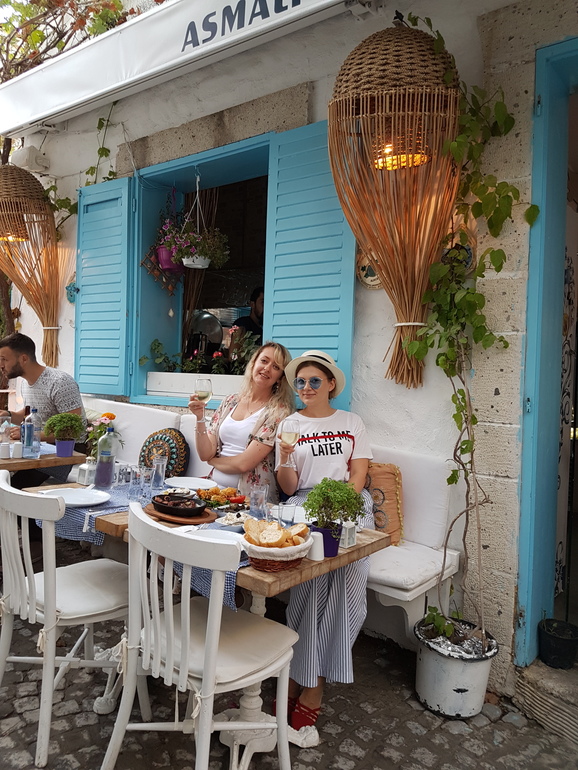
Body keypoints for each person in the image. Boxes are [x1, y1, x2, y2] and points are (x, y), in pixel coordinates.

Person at [276, 350, 373, 731]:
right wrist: (285, 457)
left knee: (348, 582)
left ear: (331, 384)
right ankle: (302, 675)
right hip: (304, 504)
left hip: (348, 503)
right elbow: (289, 488)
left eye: (314, 381)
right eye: (300, 382)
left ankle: (311, 679)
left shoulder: (351, 422)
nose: (306, 387)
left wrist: (338, 507)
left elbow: (358, 476)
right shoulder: (290, 424)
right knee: (310, 583)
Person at [188, 341, 294, 502]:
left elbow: (244, 464)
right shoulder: (230, 401)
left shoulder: (278, 412)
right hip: (214, 491)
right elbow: (205, 453)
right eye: (264, 361)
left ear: (280, 378)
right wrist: (200, 417)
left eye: (276, 367)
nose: (267, 368)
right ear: (254, 363)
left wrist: (213, 461)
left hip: (249, 501)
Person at [0, 332, 87, 490]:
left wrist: (28, 434)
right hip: (37, 446)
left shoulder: (60, 382)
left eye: (4, 359)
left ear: (23, 359)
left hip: (65, 451)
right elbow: (29, 415)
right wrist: (9, 415)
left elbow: (72, 430)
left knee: (12, 487)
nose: (1, 365)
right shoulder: (25, 383)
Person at [230, 286, 264, 350]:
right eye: (262, 302)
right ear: (252, 304)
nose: (265, 307)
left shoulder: (264, 329)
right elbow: (233, 353)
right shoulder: (242, 324)